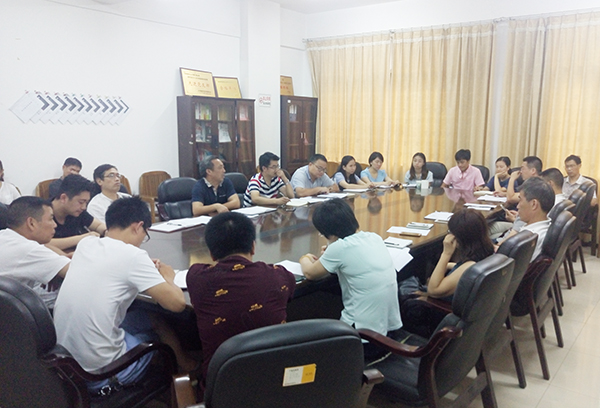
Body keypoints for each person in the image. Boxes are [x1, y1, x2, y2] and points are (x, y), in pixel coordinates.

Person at [54, 196, 193, 394]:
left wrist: (142, 268)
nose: (142, 240)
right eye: (145, 234)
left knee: (149, 317)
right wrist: (168, 277)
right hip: (102, 375)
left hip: (67, 368)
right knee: (157, 331)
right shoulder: (133, 257)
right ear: (138, 226)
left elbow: (111, 268)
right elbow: (177, 304)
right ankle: (185, 373)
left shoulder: (87, 245)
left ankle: (185, 364)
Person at [187, 212, 296, 383]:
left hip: (221, 389)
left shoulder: (197, 277)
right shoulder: (279, 276)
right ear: (253, 246)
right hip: (276, 382)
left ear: (212, 253)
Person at [299, 198, 401, 358]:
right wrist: (331, 252)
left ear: (328, 231)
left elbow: (310, 273)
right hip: (390, 334)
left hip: (363, 339)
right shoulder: (373, 237)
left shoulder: (339, 248)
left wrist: (304, 258)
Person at [400, 208, 494, 337]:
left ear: (459, 238)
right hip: (456, 307)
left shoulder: (468, 268)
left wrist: (446, 254)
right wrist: (449, 265)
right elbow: (460, 269)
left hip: (437, 315)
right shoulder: (486, 253)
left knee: (403, 287)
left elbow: (433, 290)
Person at [0, 196, 70, 309]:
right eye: (50, 219)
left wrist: (57, 264)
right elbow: (76, 272)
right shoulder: (28, 249)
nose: (55, 225)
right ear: (31, 223)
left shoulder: (5, 236)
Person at [499, 177, 554, 260]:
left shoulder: (527, 239)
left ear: (533, 204)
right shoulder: (546, 226)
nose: (517, 206)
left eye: (520, 200)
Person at [50, 174, 107, 251]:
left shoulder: (78, 211)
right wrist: (83, 238)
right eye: (81, 202)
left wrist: (106, 231)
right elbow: (42, 243)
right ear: (63, 198)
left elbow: (97, 225)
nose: (84, 207)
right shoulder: (43, 212)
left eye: (86, 202)